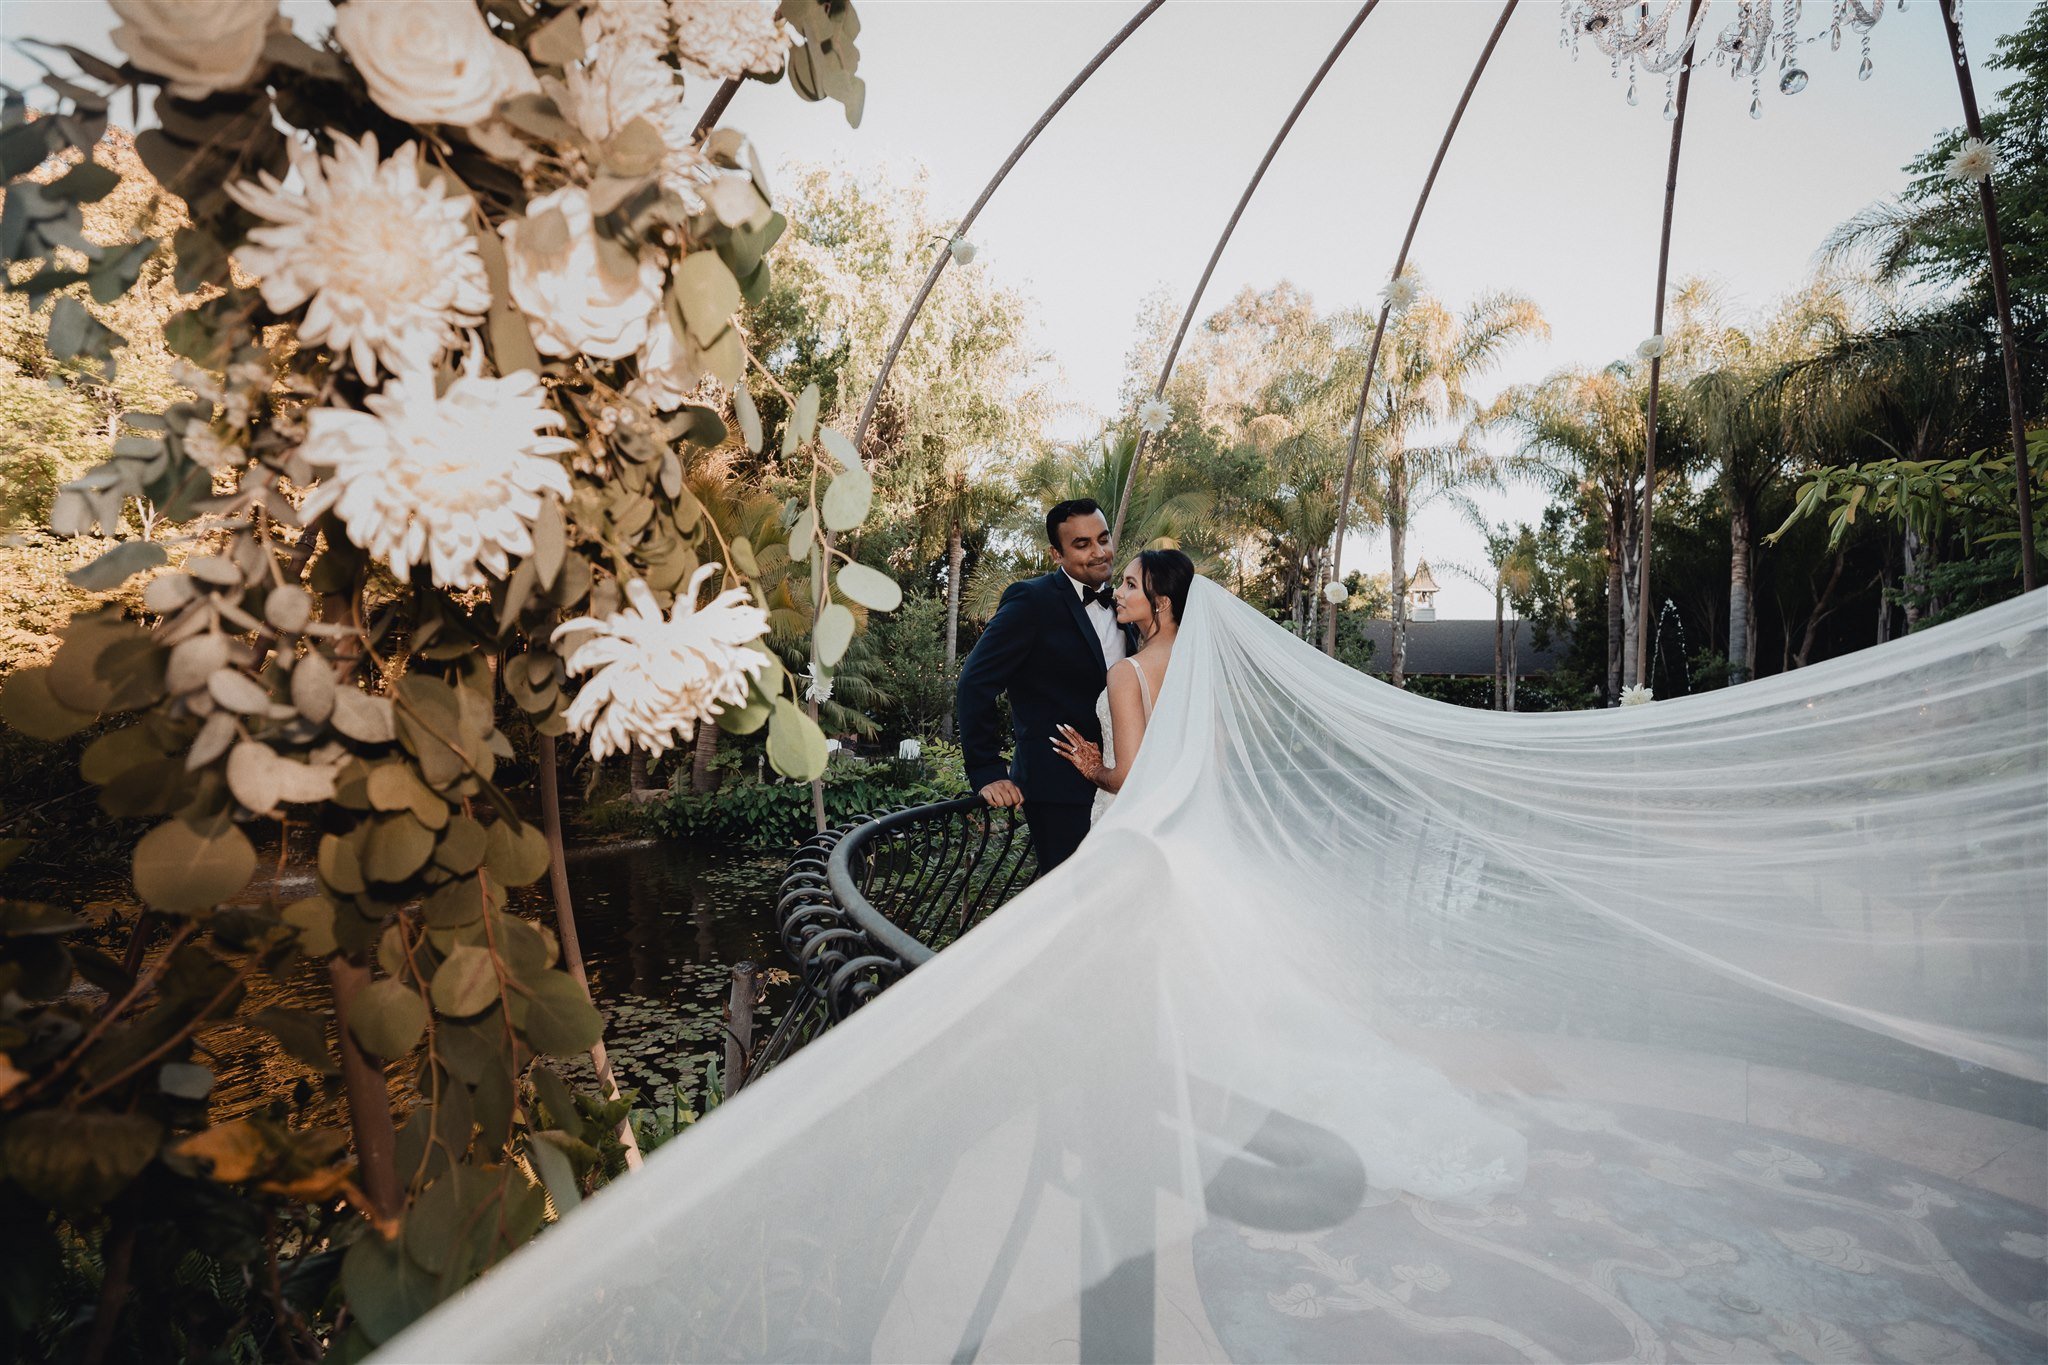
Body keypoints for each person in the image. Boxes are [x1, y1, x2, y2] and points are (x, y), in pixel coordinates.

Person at [955, 498, 1135, 872]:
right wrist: (986, 770)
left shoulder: (1125, 606)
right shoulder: (1031, 601)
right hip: (1058, 792)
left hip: (1125, 786)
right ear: (1057, 554)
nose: (1099, 552)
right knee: (1074, 903)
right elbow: (976, 682)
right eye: (1082, 544)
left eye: (1103, 539)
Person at [1050, 547, 1192, 822]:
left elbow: (1127, 776)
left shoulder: (1128, 672)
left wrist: (1093, 768)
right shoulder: (1198, 663)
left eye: (1131, 585)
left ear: (1161, 602)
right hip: (1183, 814)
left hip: (1135, 819)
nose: (1117, 592)